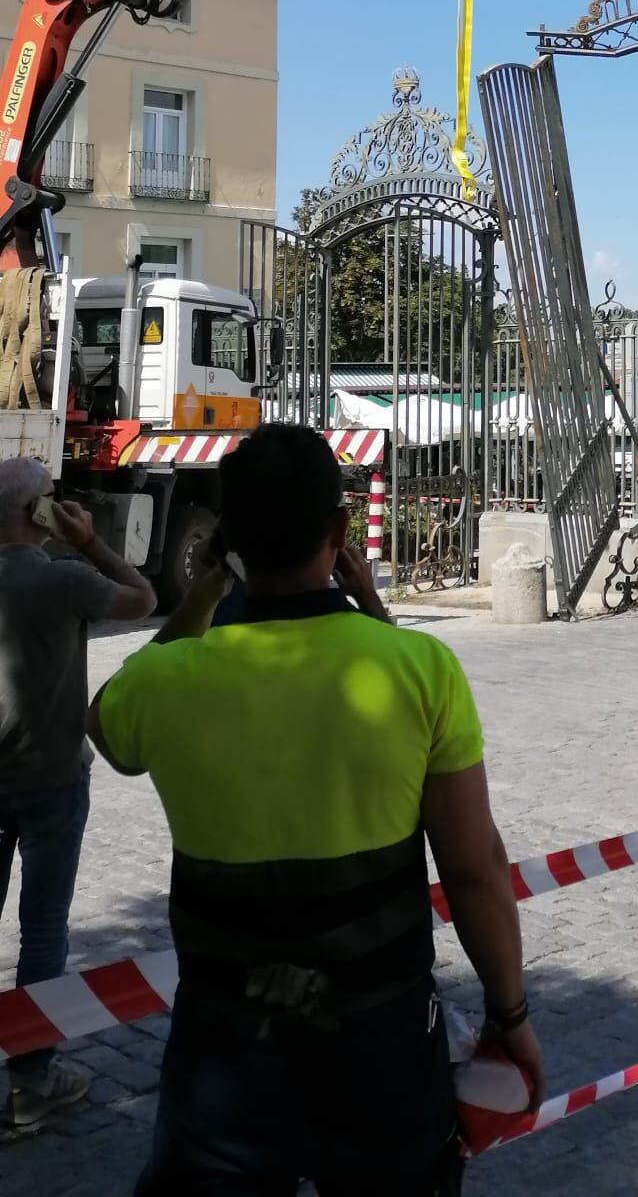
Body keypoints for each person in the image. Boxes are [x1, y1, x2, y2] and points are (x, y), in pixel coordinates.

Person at [87, 424, 544, 1194]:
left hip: (226, 1042)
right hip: (381, 1033)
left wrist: (202, 589)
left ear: (229, 538)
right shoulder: (420, 669)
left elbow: (108, 726)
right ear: (338, 530)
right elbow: (474, 871)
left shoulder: (167, 681)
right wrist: (511, 1014)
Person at [0, 457, 156, 1129]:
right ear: (39, 511)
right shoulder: (62, 579)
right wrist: (89, 540)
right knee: (43, 930)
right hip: (53, 778)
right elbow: (145, 600)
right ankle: (32, 1082)